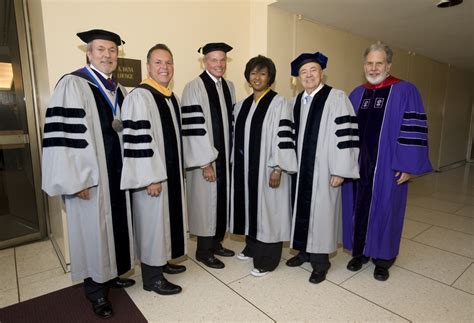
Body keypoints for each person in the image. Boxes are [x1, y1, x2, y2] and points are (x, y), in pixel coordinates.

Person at [41, 29, 135, 319]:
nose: (107, 55)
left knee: (114, 229)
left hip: (116, 176)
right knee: (94, 233)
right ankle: (95, 292)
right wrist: (76, 181)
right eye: (101, 50)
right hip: (91, 180)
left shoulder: (118, 89)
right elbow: (66, 138)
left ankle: (111, 274)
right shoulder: (73, 83)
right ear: (89, 53)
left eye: (112, 50)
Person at [342, 41, 432, 281]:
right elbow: (345, 131)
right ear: (364, 65)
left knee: (387, 209)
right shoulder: (357, 93)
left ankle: (384, 259)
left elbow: (413, 129)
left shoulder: (405, 90)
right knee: (356, 208)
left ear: (388, 65)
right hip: (358, 167)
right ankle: (360, 252)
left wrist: (408, 165)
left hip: (388, 166)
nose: (373, 68)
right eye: (369, 63)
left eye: (378, 63)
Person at [286, 52, 360, 284]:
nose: (308, 75)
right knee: (301, 210)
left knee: (322, 215)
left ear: (321, 73)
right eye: (303, 72)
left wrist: (340, 170)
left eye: (313, 70)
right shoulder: (297, 100)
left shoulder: (336, 97)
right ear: (298, 77)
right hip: (301, 171)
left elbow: (346, 135)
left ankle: (320, 262)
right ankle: (303, 252)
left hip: (325, 170)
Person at [120, 44, 186, 295]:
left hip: (167, 175)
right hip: (152, 178)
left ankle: (163, 261)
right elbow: (139, 140)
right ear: (148, 66)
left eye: (168, 62)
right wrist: (150, 178)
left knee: (164, 222)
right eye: (158, 62)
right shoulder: (140, 96)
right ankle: (152, 278)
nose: (164, 67)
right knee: (151, 224)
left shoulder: (171, 97)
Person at [230, 55, 297, 277]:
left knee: (270, 212)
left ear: (270, 78)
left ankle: (268, 260)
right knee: (250, 208)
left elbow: (284, 137)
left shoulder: (279, 103)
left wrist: (278, 167)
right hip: (245, 169)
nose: (257, 77)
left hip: (269, 170)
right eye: (253, 73)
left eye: (262, 73)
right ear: (248, 77)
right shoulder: (241, 105)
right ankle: (252, 246)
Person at [181, 42, 236, 269]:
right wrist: (205, 163)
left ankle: (216, 243)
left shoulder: (229, 86)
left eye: (222, 60)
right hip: (206, 161)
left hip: (224, 158)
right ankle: (204, 250)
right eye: (214, 60)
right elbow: (194, 127)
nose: (219, 64)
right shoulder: (193, 87)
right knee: (205, 204)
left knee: (221, 201)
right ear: (205, 62)